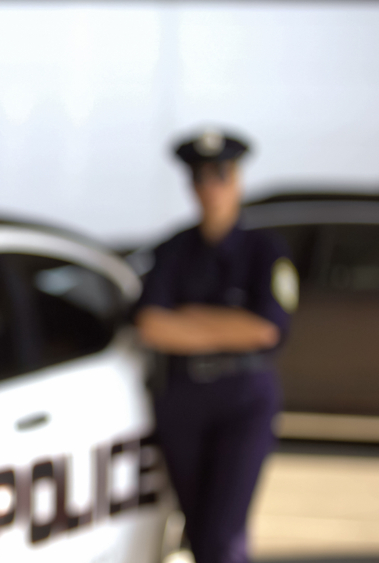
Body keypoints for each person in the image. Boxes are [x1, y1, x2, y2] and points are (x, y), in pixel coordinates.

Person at [134, 130, 297, 563]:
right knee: (201, 530)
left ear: (238, 180)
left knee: (223, 533)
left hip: (243, 396)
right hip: (185, 398)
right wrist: (226, 324)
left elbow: (264, 331)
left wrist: (186, 317)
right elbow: (151, 325)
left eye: (221, 176)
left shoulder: (265, 250)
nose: (212, 188)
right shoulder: (174, 249)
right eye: (202, 178)